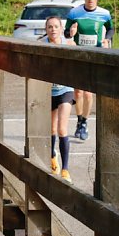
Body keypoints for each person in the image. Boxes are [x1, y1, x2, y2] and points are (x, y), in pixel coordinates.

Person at [65, 0, 113, 141]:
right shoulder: (74, 12)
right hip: (80, 56)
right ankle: (79, 121)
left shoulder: (104, 13)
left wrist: (107, 39)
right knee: (78, 92)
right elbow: (66, 32)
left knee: (88, 93)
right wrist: (70, 32)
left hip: (95, 56)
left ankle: (84, 122)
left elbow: (111, 29)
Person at [43, 16, 75, 182]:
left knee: (62, 129)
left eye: (56, 26)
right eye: (50, 27)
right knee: (51, 130)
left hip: (65, 90)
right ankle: (52, 156)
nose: (53, 29)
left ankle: (65, 169)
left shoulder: (68, 44)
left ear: (62, 29)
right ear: (46, 29)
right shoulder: (41, 45)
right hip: (48, 92)